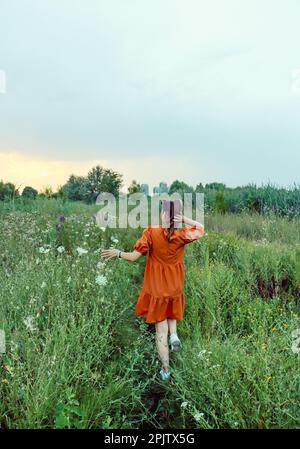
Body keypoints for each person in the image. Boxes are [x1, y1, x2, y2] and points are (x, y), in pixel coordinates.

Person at [101, 199, 205, 381]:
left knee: (160, 333)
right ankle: (175, 335)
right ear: (178, 217)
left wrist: (117, 253)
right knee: (171, 309)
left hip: (157, 289)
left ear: (163, 214)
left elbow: (134, 257)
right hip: (175, 286)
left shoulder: (151, 232)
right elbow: (201, 229)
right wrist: (185, 220)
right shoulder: (181, 235)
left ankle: (166, 370)